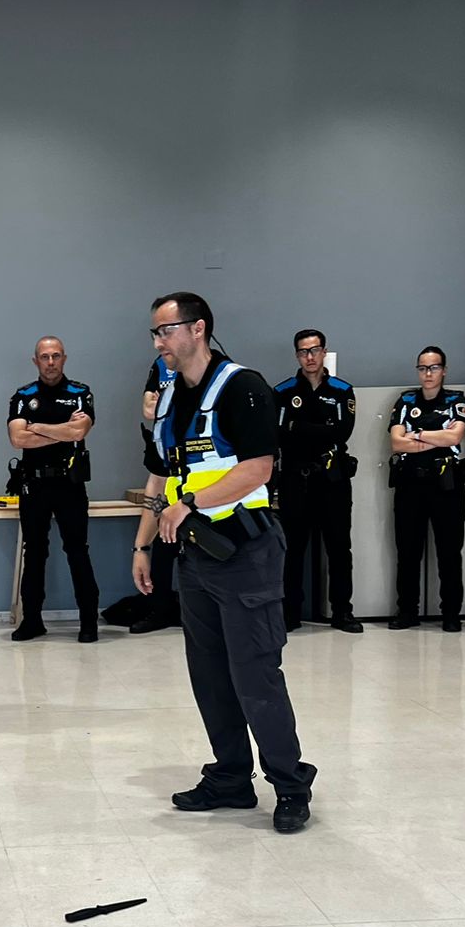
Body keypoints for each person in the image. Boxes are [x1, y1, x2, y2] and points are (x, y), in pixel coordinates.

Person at [132, 292, 315, 834]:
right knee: (209, 677)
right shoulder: (167, 397)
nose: (160, 342)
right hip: (194, 557)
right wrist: (143, 544)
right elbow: (160, 477)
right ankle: (232, 778)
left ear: (199, 329)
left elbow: (259, 468)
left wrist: (192, 503)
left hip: (247, 556)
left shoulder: (243, 387)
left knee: (255, 675)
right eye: (155, 333)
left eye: (166, 331)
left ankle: (289, 785)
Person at [7, 336, 99, 642]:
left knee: (77, 551)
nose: (50, 362)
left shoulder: (80, 393)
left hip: (69, 484)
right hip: (33, 484)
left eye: (55, 356)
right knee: (33, 553)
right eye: (44, 357)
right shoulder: (23, 396)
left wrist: (36, 426)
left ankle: (88, 622)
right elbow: (18, 439)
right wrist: (62, 431)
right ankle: (32, 621)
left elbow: (79, 430)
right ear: (35, 361)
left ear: (64, 358)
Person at [272, 329, 361, 634]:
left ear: (324, 352)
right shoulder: (282, 392)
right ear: (297, 355)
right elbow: (278, 435)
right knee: (292, 551)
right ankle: (290, 613)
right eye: (303, 351)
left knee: (338, 548)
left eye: (315, 350)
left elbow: (341, 433)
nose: (309, 357)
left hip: (332, 480)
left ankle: (342, 612)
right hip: (295, 481)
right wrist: (320, 428)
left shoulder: (341, 390)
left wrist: (297, 426)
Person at [386, 347, 465, 631]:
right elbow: (397, 442)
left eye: (434, 368)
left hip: (446, 484)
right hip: (410, 482)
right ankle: (407, 611)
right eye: (423, 368)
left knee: (449, 551)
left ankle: (450, 614)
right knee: (408, 551)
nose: (428, 374)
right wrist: (437, 438)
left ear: (444, 370)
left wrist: (417, 434)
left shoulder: (456, 401)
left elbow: (455, 436)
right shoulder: (406, 400)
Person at [128, 356, 181, 634]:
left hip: (207, 504)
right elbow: (148, 409)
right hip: (171, 503)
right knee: (162, 550)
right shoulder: (160, 365)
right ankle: (159, 610)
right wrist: (140, 547)